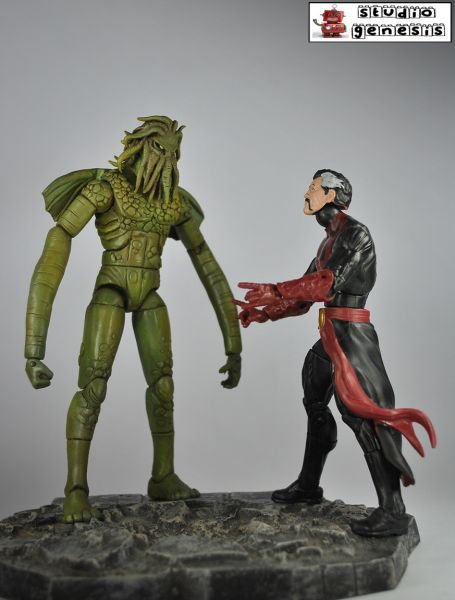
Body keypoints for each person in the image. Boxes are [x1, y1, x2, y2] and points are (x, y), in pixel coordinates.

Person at [25, 116, 242, 523]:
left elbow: (207, 264)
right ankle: (76, 489)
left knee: (163, 386)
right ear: (141, 146)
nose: (169, 158)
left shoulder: (174, 203)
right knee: (93, 386)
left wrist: (234, 344)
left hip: (149, 297)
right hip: (111, 290)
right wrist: (34, 348)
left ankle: (163, 475)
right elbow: (57, 243)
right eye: (161, 148)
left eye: (176, 151)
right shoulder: (105, 188)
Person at [236, 169, 435, 537]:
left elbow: (326, 284)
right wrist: (265, 313)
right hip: (330, 336)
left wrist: (276, 290)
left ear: (331, 194)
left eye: (313, 188)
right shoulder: (327, 241)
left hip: (351, 337)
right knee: (315, 402)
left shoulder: (355, 234)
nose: (307, 193)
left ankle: (393, 510)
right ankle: (308, 486)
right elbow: (304, 297)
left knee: (364, 418)